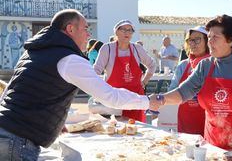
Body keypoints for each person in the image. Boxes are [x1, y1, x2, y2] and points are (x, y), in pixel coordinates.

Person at [0, 9, 150, 160]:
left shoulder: (34, 50)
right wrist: (148, 102)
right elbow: (110, 96)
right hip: (18, 140)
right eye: (85, 29)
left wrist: (56, 122)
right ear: (70, 29)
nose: (88, 35)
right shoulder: (69, 58)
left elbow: (14, 91)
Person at [149, 15, 232, 161]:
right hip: (214, 146)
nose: (209, 41)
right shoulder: (205, 66)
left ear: (230, 40)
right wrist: (161, 99)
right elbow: (183, 92)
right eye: (209, 37)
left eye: (215, 37)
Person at [93, 20, 156, 122]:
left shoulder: (137, 49)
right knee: (115, 131)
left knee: (136, 131)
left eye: (130, 30)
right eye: (123, 29)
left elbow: (152, 65)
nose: (127, 33)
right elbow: (96, 71)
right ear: (116, 32)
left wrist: (144, 81)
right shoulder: (107, 49)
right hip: (114, 98)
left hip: (135, 99)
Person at [168, 26, 209, 135]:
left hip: (208, 121)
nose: (193, 43)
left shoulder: (214, 64)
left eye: (197, 39)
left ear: (207, 41)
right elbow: (172, 89)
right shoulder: (183, 65)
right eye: (190, 40)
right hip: (185, 119)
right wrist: (160, 100)